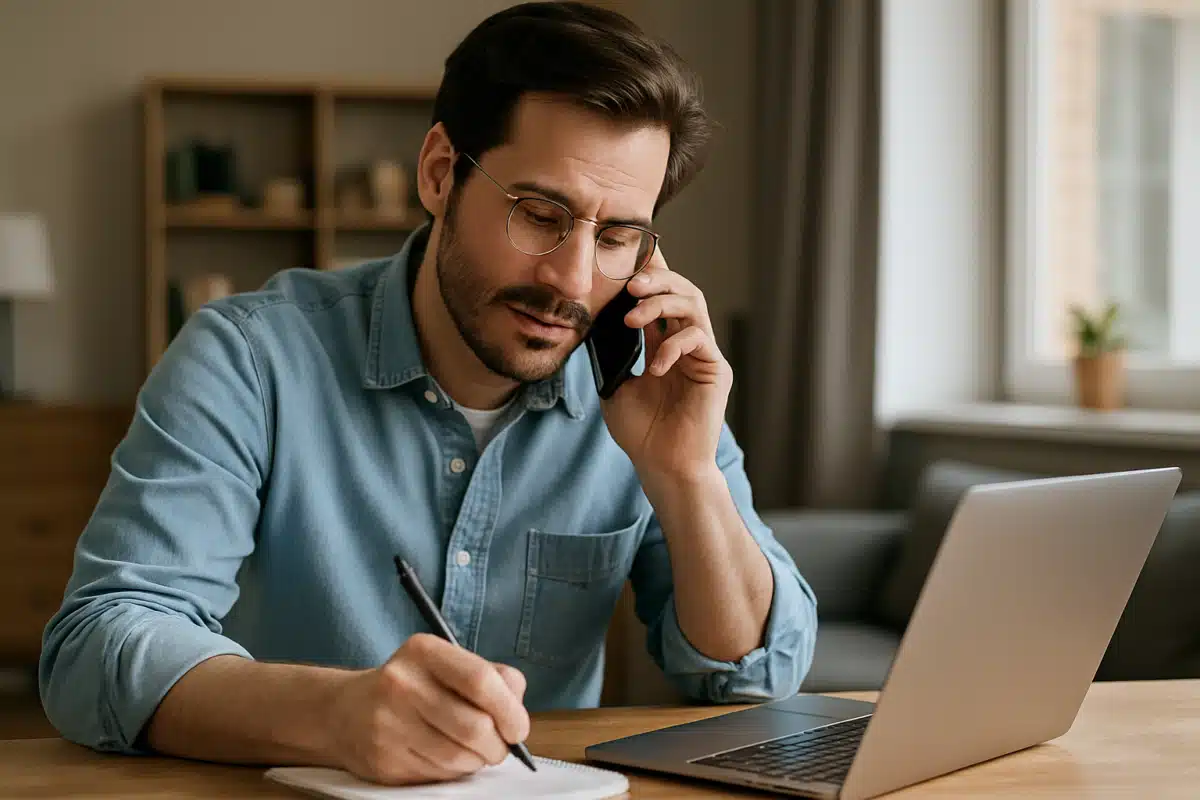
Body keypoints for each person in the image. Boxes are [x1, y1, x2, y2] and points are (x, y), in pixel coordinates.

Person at [39, 0, 818, 786]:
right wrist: (333, 715)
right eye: (540, 214)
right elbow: (98, 646)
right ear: (440, 173)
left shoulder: (648, 387)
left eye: (617, 236)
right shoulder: (248, 358)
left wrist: (687, 479)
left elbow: (752, 677)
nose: (573, 281)